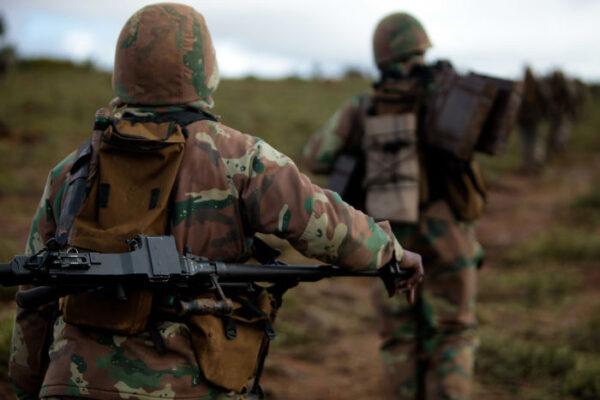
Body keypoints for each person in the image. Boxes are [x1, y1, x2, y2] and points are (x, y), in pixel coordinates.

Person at [8, 4, 424, 400]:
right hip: (193, 385)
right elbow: (329, 228)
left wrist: (28, 387)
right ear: (204, 69)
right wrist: (391, 251)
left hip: (73, 385)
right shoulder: (242, 158)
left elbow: (33, 300)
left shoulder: (71, 171)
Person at [303, 12, 487, 400]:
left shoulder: (365, 104)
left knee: (400, 337)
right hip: (450, 229)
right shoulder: (452, 94)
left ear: (381, 54)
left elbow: (318, 154)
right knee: (453, 330)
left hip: (392, 233)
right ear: (420, 46)